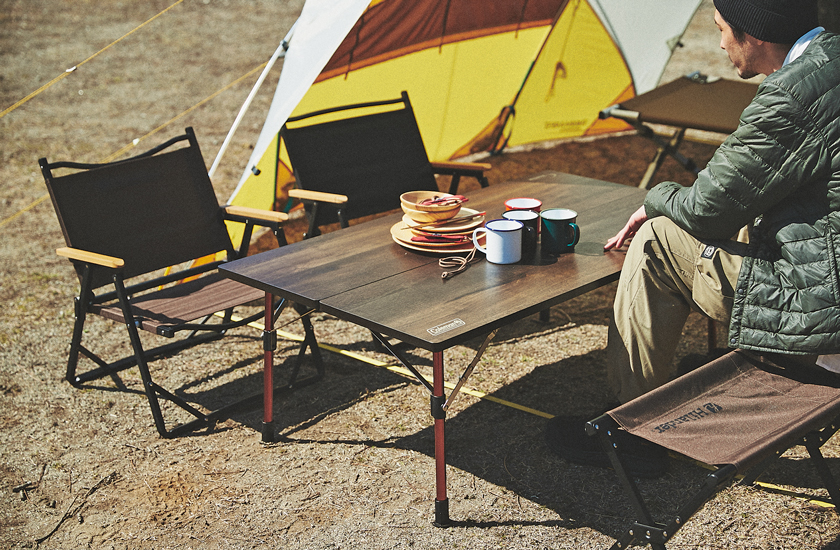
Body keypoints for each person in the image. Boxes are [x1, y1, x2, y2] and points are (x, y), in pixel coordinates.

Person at [545, 0, 840, 478]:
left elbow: (705, 207)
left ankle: (629, 429)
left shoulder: (792, 96)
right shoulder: (831, 62)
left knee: (658, 240)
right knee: (737, 220)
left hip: (823, 304)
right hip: (828, 261)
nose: (720, 45)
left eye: (722, 30)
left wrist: (655, 198)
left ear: (755, 35)